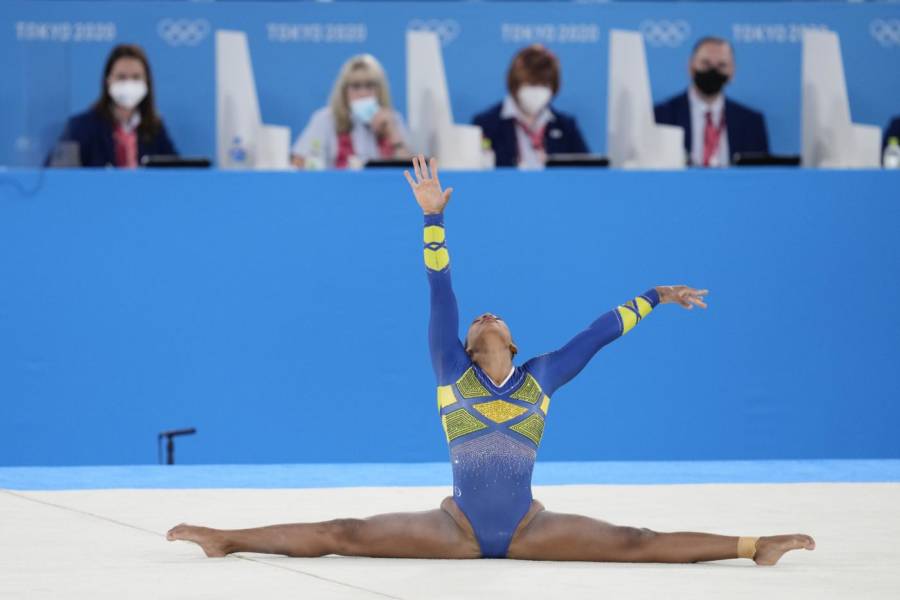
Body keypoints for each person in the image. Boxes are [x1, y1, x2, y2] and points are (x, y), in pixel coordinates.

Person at [167, 156, 815, 566]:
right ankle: (229, 538)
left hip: (531, 528)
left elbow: (600, 333)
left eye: (494, 316)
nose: (485, 315)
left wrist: (657, 295)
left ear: (512, 340)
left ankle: (754, 546)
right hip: (455, 528)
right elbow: (441, 290)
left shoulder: (543, 375)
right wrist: (432, 221)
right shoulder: (449, 368)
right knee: (346, 531)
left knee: (634, 543)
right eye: (479, 318)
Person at [50, 44, 177, 168]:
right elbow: (56, 174)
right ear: (108, 80)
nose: (129, 84)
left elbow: (177, 172)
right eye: (121, 77)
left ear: (147, 82)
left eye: (136, 77)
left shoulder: (154, 128)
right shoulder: (81, 127)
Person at [654, 37, 768, 167]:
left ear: (732, 71)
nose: (713, 71)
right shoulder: (661, 117)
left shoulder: (751, 122)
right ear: (691, 66)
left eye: (722, 65)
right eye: (705, 63)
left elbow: (761, 174)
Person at [473, 45, 589, 169]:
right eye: (530, 84)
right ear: (515, 84)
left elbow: (588, 172)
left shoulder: (565, 126)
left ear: (553, 87)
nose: (536, 91)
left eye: (543, 85)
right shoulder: (487, 125)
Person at [291, 54, 411, 169]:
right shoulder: (325, 119)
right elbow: (298, 161)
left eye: (369, 86)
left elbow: (409, 171)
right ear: (344, 91)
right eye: (356, 86)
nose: (363, 93)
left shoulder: (393, 119)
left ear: (380, 90)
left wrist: (392, 133)